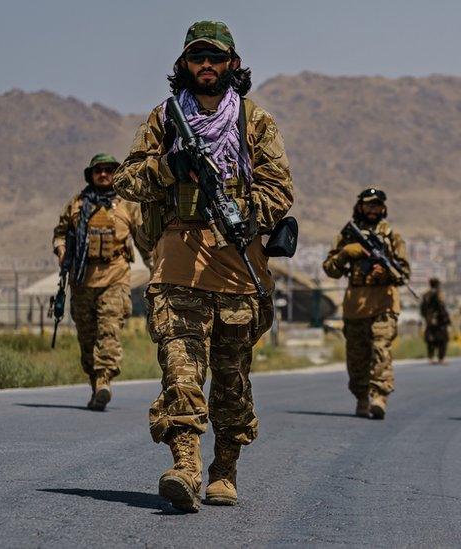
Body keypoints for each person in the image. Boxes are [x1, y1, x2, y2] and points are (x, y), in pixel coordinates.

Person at [113, 20, 294, 512]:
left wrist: (241, 209)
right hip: (177, 265)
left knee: (232, 379)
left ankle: (224, 470)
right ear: (184, 65)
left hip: (238, 268)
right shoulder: (166, 120)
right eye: (197, 57)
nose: (207, 66)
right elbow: (127, 180)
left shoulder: (254, 122)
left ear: (232, 64)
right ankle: (186, 468)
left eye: (215, 57)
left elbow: (281, 189)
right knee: (181, 371)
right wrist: (172, 166)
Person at [52, 153, 149, 411]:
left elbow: (145, 242)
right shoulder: (76, 205)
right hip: (82, 281)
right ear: (91, 175)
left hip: (115, 278)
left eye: (108, 170)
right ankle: (95, 385)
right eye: (98, 170)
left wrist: (158, 271)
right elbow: (60, 234)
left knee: (109, 331)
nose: (103, 174)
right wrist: (61, 250)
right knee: (86, 338)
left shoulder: (127, 206)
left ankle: (105, 380)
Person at [322, 188, 410, 420]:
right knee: (357, 355)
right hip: (356, 305)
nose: (373, 210)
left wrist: (386, 272)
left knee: (381, 350)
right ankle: (362, 397)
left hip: (384, 303)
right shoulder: (348, 235)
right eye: (369, 205)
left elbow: (404, 273)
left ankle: (379, 396)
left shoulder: (392, 237)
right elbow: (330, 269)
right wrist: (345, 255)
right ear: (360, 206)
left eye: (377, 205)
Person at [419, 278, 451, 364]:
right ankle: (441, 358)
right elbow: (442, 307)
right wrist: (447, 319)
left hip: (429, 320)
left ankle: (431, 358)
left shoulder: (426, 295)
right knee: (443, 340)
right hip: (440, 321)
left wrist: (426, 317)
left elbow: (422, 309)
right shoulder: (438, 294)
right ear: (437, 284)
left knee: (431, 340)